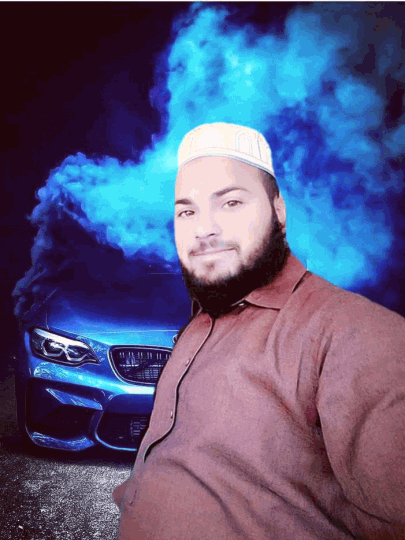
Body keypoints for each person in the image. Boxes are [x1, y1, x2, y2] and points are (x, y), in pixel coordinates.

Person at [113, 122, 405, 539]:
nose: (204, 228)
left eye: (230, 202)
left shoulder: (354, 333)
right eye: (187, 211)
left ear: (278, 212)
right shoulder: (201, 321)